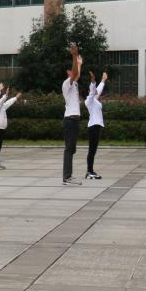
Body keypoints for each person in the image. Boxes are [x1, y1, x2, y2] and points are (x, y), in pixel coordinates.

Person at [62, 44, 83, 185]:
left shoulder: (74, 84)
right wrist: (74, 56)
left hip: (74, 119)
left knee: (72, 149)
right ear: (68, 72)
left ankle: (68, 176)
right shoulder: (66, 84)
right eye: (72, 70)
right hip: (70, 119)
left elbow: (77, 74)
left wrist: (79, 63)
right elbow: (75, 73)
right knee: (69, 149)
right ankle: (67, 177)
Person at [0, 86, 21, 170]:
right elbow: (2, 101)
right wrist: (6, 94)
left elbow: (8, 103)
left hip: (1, 129)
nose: (1, 100)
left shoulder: (2, 106)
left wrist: (16, 98)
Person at [85, 71, 107, 180]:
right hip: (93, 127)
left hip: (96, 127)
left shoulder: (95, 100)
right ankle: (89, 172)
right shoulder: (89, 100)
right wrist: (93, 80)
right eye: (93, 91)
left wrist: (103, 80)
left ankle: (91, 171)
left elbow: (99, 89)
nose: (95, 92)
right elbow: (94, 90)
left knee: (93, 150)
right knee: (92, 150)